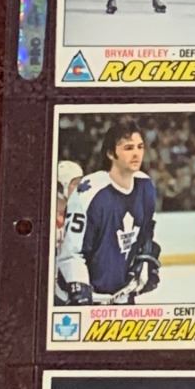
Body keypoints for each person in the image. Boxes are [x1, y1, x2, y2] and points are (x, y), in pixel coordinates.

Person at [56, 117, 159, 306]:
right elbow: (71, 251)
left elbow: (145, 233)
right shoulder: (89, 191)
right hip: (85, 298)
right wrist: (79, 287)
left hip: (122, 296)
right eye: (128, 148)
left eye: (140, 147)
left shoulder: (146, 186)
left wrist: (146, 260)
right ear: (111, 153)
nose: (136, 153)